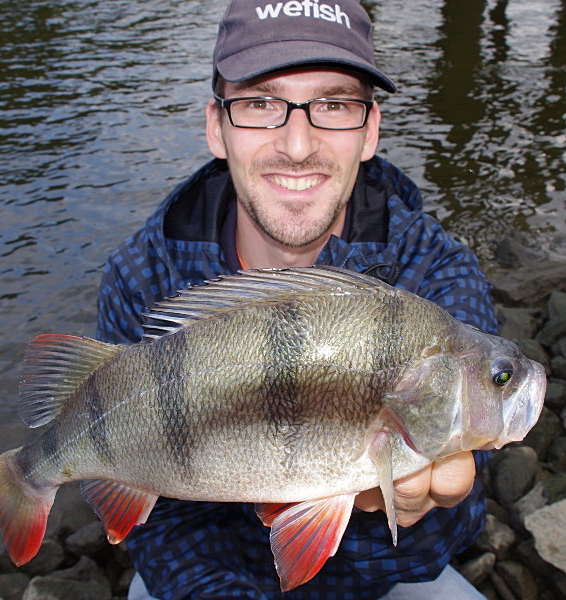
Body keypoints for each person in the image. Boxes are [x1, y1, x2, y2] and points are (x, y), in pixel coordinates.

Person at [96, 1, 497, 598]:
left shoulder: (435, 273)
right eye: (260, 103)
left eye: (334, 104)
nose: (299, 142)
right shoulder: (143, 275)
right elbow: (160, 526)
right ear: (216, 126)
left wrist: (379, 509)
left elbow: (442, 538)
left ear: (370, 131)